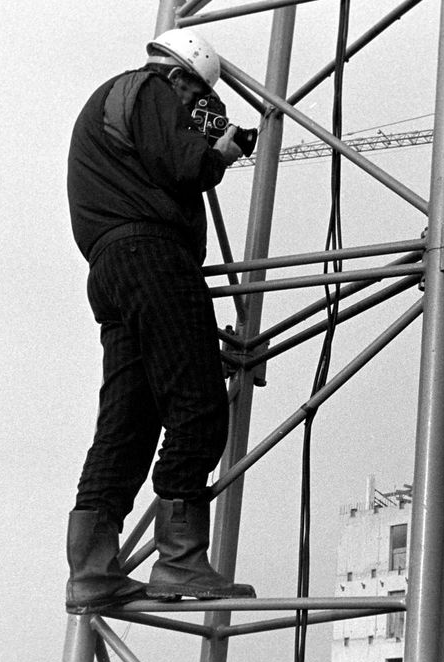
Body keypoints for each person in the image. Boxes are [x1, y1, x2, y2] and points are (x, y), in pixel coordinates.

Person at [65, 27, 255, 614]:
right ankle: (180, 558)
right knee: (198, 402)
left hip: (111, 268)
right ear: (178, 77)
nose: (197, 110)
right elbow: (183, 164)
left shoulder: (114, 101)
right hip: (153, 255)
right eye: (195, 97)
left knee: (128, 422)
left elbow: (162, 158)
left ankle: (92, 570)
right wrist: (220, 149)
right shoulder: (147, 89)